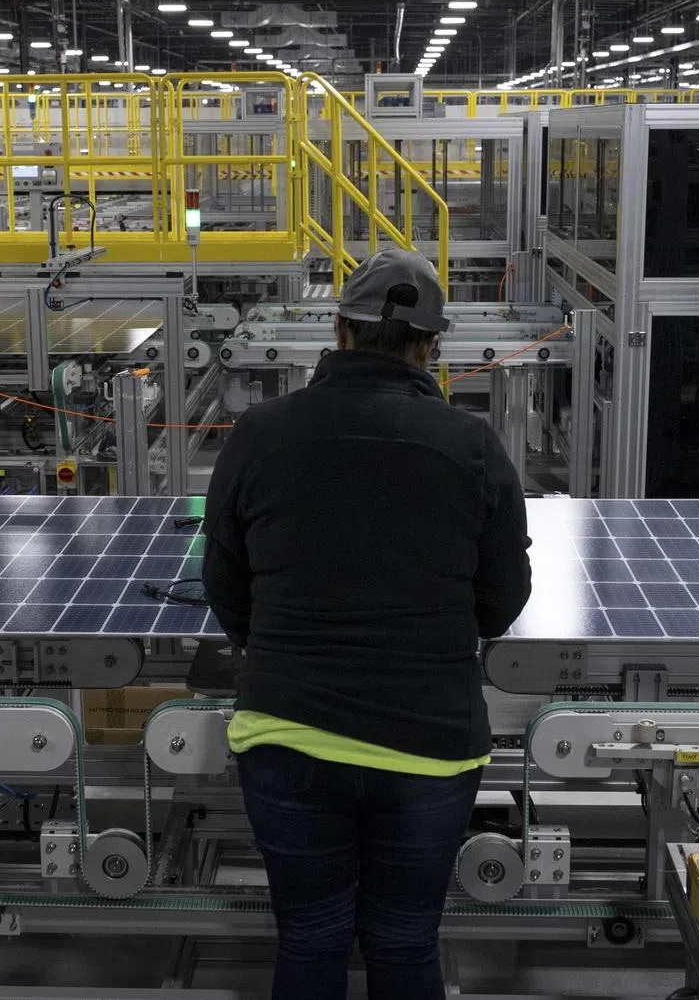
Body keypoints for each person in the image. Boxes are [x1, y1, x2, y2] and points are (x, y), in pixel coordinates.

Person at [202, 249, 532, 1000]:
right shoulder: (471, 447)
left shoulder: (260, 433)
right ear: (432, 346)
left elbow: (224, 585)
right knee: (406, 942)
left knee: (313, 939)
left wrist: (284, 647)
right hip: (429, 748)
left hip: (287, 736)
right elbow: (501, 602)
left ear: (339, 329)